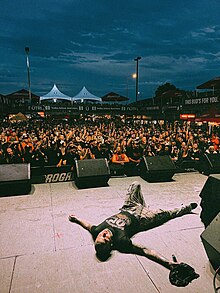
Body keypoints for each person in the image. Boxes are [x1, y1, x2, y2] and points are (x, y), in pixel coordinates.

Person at [69, 181, 198, 271]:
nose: (104, 234)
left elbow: (88, 225)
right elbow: (145, 250)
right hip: (142, 217)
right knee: (166, 214)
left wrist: (76, 219)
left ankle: (141, 205)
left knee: (135, 184)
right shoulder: (121, 241)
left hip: (128, 207)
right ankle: (186, 208)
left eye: (100, 237)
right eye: (106, 238)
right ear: (111, 244)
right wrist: (167, 263)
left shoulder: (97, 230)